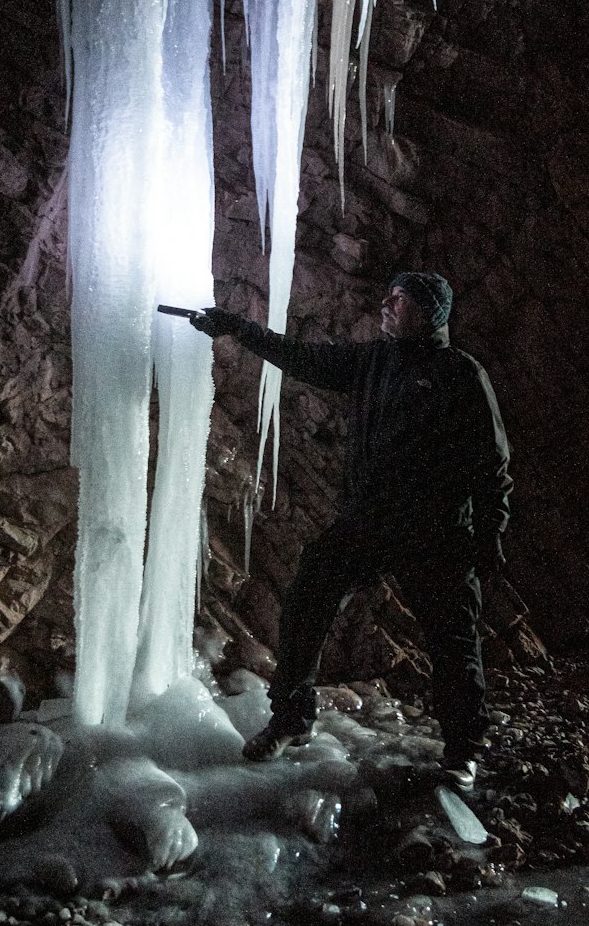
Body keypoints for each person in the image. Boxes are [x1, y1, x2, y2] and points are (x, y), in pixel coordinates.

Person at [190, 272, 511, 787]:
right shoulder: (371, 362)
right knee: (308, 597)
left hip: (434, 532)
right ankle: (292, 716)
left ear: (428, 312)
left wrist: (490, 532)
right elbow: (302, 357)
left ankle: (463, 751)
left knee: (452, 640)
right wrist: (236, 328)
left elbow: (490, 462)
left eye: (399, 299)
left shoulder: (459, 374)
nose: (386, 303)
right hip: (366, 522)